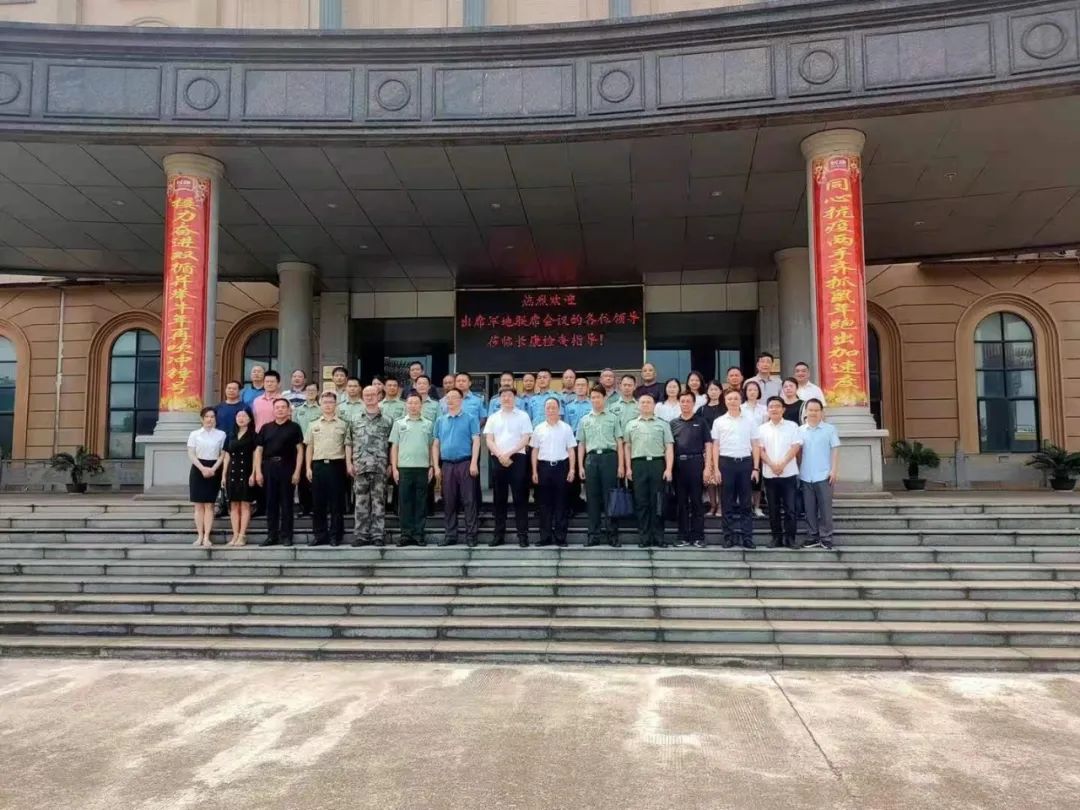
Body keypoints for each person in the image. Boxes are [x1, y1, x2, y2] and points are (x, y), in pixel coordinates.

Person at [484, 387, 533, 547]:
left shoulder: (523, 416)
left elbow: (526, 438)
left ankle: (523, 535)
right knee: (499, 499)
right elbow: (489, 440)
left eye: (509, 395)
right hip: (498, 458)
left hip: (518, 458)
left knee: (520, 498)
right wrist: (500, 455)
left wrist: (509, 453)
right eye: (503, 396)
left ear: (515, 398)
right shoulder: (493, 417)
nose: (506, 398)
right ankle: (498, 535)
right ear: (499, 399)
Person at [711, 388, 760, 550]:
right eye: (729, 399)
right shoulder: (719, 421)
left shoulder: (750, 420)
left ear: (741, 400)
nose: (732, 401)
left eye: (735, 398)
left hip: (745, 463)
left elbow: (755, 444)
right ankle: (728, 537)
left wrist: (756, 467)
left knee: (746, 503)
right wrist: (716, 468)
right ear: (725, 401)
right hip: (726, 464)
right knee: (727, 503)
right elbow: (715, 446)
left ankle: (747, 537)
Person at [623, 393, 674, 548]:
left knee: (657, 502)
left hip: (657, 464)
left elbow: (669, 447)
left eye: (649, 402)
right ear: (638, 405)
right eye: (643, 402)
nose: (645, 404)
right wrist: (628, 468)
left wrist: (669, 468)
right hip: (638, 465)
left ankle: (659, 537)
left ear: (654, 405)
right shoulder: (631, 424)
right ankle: (644, 538)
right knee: (641, 502)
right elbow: (627, 447)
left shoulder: (663, 424)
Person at [433, 389, 481, 547]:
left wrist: (474, 462)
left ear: (461, 400)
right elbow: (436, 444)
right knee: (449, 501)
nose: (450, 400)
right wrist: (436, 466)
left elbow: (476, 441)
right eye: (448, 398)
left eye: (454, 397)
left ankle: (471, 536)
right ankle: (450, 535)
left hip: (465, 463)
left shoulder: (470, 418)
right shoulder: (440, 420)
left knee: (469, 500)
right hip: (447, 464)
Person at [304, 391, 353, 547]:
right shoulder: (313, 424)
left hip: (336, 465)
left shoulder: (343, 424)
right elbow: (309, 447)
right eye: (325, 402)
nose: (328, 405)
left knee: (336, 503)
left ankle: (335, 536)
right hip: (318, 465)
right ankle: (320, 535)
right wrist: (308, 467)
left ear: (335, 404)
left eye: (331, 402)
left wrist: (348, 465)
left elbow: (347, 446)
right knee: (318, 503)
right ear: (320, 404)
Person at [576, 385, 622, 548]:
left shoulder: (613, 418)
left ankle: (612, 535)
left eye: (598, 397)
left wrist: (621, 466)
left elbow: (619, 442)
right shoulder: (585, 419)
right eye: (593, 397)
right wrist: (580, 466)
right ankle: (593, 535)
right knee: (592, 498)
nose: (595, 400)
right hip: (591, 459)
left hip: (609, 458)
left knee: (610, 498)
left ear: (604, 398)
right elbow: (581, 444)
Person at [254, 398, 304, 547]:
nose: (280, 410)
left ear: (288, 410)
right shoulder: (266, 428)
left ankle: (286, 536)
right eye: (277, 407)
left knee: (287, 503)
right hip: (269, 467)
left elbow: (300, 450)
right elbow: (259, 450)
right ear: (273, 410)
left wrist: (297, 472)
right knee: (271, 503)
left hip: (287, 467)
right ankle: (272, 536)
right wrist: (258, 472)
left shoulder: (294, 427)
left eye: (283, 407)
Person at [756, 396, 803, 549]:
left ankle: (790, 539)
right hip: (770, 475)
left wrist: (782, 464)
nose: (774, 409)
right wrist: (772, 465)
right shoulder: (761, 429)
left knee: (790, 509)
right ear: (767, 410)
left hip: (788, 473)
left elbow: (795, 447)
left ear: (783, 409)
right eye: (771, 406)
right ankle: (776, 538)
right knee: (773, 509)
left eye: (777, 406)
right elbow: (760, 450)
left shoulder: (792, 426)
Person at [530, 397, 577, 547]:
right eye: (548, 408)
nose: (551, 410)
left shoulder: (566, 428)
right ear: (544, 410)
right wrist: (534, 471)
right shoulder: (538, 428)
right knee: (544, 504)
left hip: (561, 467)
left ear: (559, 409)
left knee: (561, 503)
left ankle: (560, 537)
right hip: (543, 468)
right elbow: (534, 451)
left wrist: (572, 469)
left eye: (553, 407)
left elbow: (571, 450)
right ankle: (545, 537)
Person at [669, 390, 713, 548]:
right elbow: (669, 447)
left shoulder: (701, 422)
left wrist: (707, 468)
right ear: (679, 403)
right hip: (679, 466)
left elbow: (708, 445)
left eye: (688, 401)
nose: (685, 404)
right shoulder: (673, 423)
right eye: (682, 401)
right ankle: (682, 536)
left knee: (697, 502)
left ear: (694, 403)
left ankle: (698, 537)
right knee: (681, 503)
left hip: (696, 464)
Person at [390, 393, 435, 547]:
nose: (413, 406)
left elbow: (431, 446)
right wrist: (394, 468)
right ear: (406, 405)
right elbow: (394, 447)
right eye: (410, 403)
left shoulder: (428, 424)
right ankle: (406, 534)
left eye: (416, 403)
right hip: (404, 469)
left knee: (420, 503)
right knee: (405, 502)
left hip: (422, 468)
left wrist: (431, 465)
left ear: (421, 405)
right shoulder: (399, 423)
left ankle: (418, 534)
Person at [351, 385, 392, 547]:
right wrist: (349, 463)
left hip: (380, 466)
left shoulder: (387, 420)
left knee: (379, 502)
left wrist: (391, 464)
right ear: (362, 397)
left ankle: (378, 535)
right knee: (360, 502)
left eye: (372, 394)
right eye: (366, 395)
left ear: (379, 396)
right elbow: (348, 442)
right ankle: (361, 535)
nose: (369, 397)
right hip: (360, 466)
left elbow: (392, 444)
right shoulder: (355, 419)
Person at [799, 399, 840, 550]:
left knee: (825, 509)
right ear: (806, 412)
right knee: (809, 509)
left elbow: (835, 449)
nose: (813, 413)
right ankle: (812, 537)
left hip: (824, 475)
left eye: (816, 410)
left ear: (822, 412)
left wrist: (834, 470)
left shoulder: (830, 429)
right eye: (810, 410)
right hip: (805, 475)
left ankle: (826, 537)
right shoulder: (800, 430)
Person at [187, 407, 227, 548]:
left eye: (212, 417)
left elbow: (222, 454)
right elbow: (191, 453)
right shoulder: (194, 434)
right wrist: (202, 468)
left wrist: (213, 469)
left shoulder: (221, 434)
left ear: (215, 419)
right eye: (207, 416)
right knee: (198, 505)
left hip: (214, 468)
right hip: (198, 468)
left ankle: (207, 536)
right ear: (202, 419)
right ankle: (199, 535)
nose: (209, 419)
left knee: (210, 505)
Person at [222, 406, 256, 547]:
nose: (241, 419)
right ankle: (235, 535)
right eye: (239, 416)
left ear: (250, 419)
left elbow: (256, 455)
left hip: (246, 471)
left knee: (245, 504)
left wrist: (254, 473)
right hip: (232, 472)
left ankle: (242, 535)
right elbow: (227, 456)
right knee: (234, 505)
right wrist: (223, 475)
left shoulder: (254, 435)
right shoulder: (230, 435)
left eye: (244, 416)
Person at [696, 380, 726, 518]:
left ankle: (721, 506)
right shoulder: (702, 409)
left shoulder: (725, 407)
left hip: (723, 447)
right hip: (706, 446)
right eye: (711, 389)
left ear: (720, 391)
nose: (713, 392)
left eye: (716, 389)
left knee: (720, 477)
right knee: (709, 478)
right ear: (707, 392)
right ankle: (713, 505)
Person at [292, 381, 322, 518]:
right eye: (308, 390)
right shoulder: (298, 410)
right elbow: (294, 429)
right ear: (304, 393)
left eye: (313, 390)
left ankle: (317, 507)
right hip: (302, 445)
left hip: (318, 445)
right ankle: (304, 507)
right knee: (303, 477)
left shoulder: (321, 409)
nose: (310, 392)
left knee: (316, 477)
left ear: (318, 392)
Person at [742, 380, 768, 518]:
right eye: (749, 390)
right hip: (744, 447)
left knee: (757, 479)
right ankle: (746, 506)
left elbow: (766, 427)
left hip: (760, 446)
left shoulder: (764, 409)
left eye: (755, 390)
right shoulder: (740, 408)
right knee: (744, 478)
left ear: (759, 392)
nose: (752, 392)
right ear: (745, 392)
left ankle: (757, 506)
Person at [609, 374, 640, 439]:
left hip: (634, 441)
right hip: (617, 441)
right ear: (620, 386)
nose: (627, 387)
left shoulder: (640, 407)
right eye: (624, 385)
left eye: (629, 385)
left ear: (634, 387)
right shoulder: (612, 407)